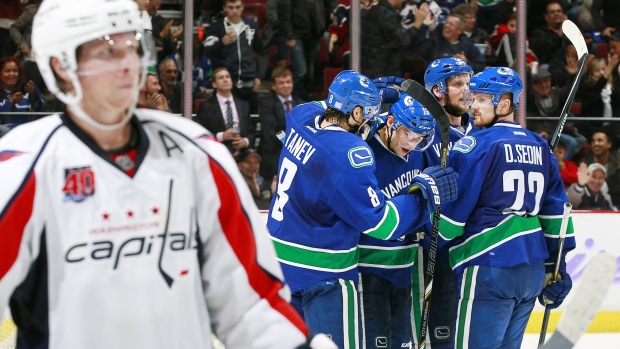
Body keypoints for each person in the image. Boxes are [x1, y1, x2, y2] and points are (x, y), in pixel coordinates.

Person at [0, 1, 337, 348]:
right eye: (107, 51)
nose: (127, 64)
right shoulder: (24, 169)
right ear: (62, 65)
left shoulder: (198, 155)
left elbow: (249, 302)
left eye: (132, 47)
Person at [267, 70, 458, 349]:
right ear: (355, 112)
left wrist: (370, 96)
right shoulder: (349, 153)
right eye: (367, 115)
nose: (371, 122)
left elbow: (324, 104)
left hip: (279, 262)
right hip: (321, 269)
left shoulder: (300, 116)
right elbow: (379, 223)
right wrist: (423, 198)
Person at [438, 67, 576, 349]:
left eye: (481, 100)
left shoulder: (473, 146)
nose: (472, 106)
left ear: (503, 104)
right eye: (472, 98)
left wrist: (425, 234)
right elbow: (557, 214)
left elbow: (450, 221)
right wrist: (556, 268)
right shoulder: (540, 146)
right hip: (531, 270)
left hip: (489, 265)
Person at [360, 93, 436, 349]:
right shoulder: (364, 150)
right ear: (390, 122)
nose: (413, 144)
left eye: (420, 138)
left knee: (405, 344)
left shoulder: (418, 153)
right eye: (408, 134)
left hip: (405, 268)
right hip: (368, 270)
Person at [418, 56, 477, 349]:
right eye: (458, 84)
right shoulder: (424, 135)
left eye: (469, 83)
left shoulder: (481, 130)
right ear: (438, 91)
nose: (467, 90)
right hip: (437, 252)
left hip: (475, 252)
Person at [204, 0, 267, 114]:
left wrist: (259, 76)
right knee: (225, 121)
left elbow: (261, 52)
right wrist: (221, 43)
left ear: (243, 7)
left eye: (237, 7)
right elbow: (207, 51)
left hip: (249, 83)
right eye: (231, 7)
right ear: (224, 8)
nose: (234, 11)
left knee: (250, 121)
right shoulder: (216, 27)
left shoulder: (251, 26)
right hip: (226, 82)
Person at [257, 67, 304, 190]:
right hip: (274, 150)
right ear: (274, 86)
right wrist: (288, 142)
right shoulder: (267, 104)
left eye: (288, 82)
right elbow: (272, 130)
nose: (286, 85)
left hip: (297, 151)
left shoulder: (300, 104)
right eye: (281, 83)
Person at [361, 0, 429, 79]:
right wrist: (418, 22)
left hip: (373, 72)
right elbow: (403, 41)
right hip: (381, 76)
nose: (405, 1)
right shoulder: (386, 15)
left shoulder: (377, 11)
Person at [195, 67, 254, 154]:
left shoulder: (244, 105)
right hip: (217, 153)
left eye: (227, 77)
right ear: (214, 84)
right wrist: (221, 136)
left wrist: (245, 141)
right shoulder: (206, 107)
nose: (225, 80)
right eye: (221, 78)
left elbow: (251, 131)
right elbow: (201, 133)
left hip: (241, 155)